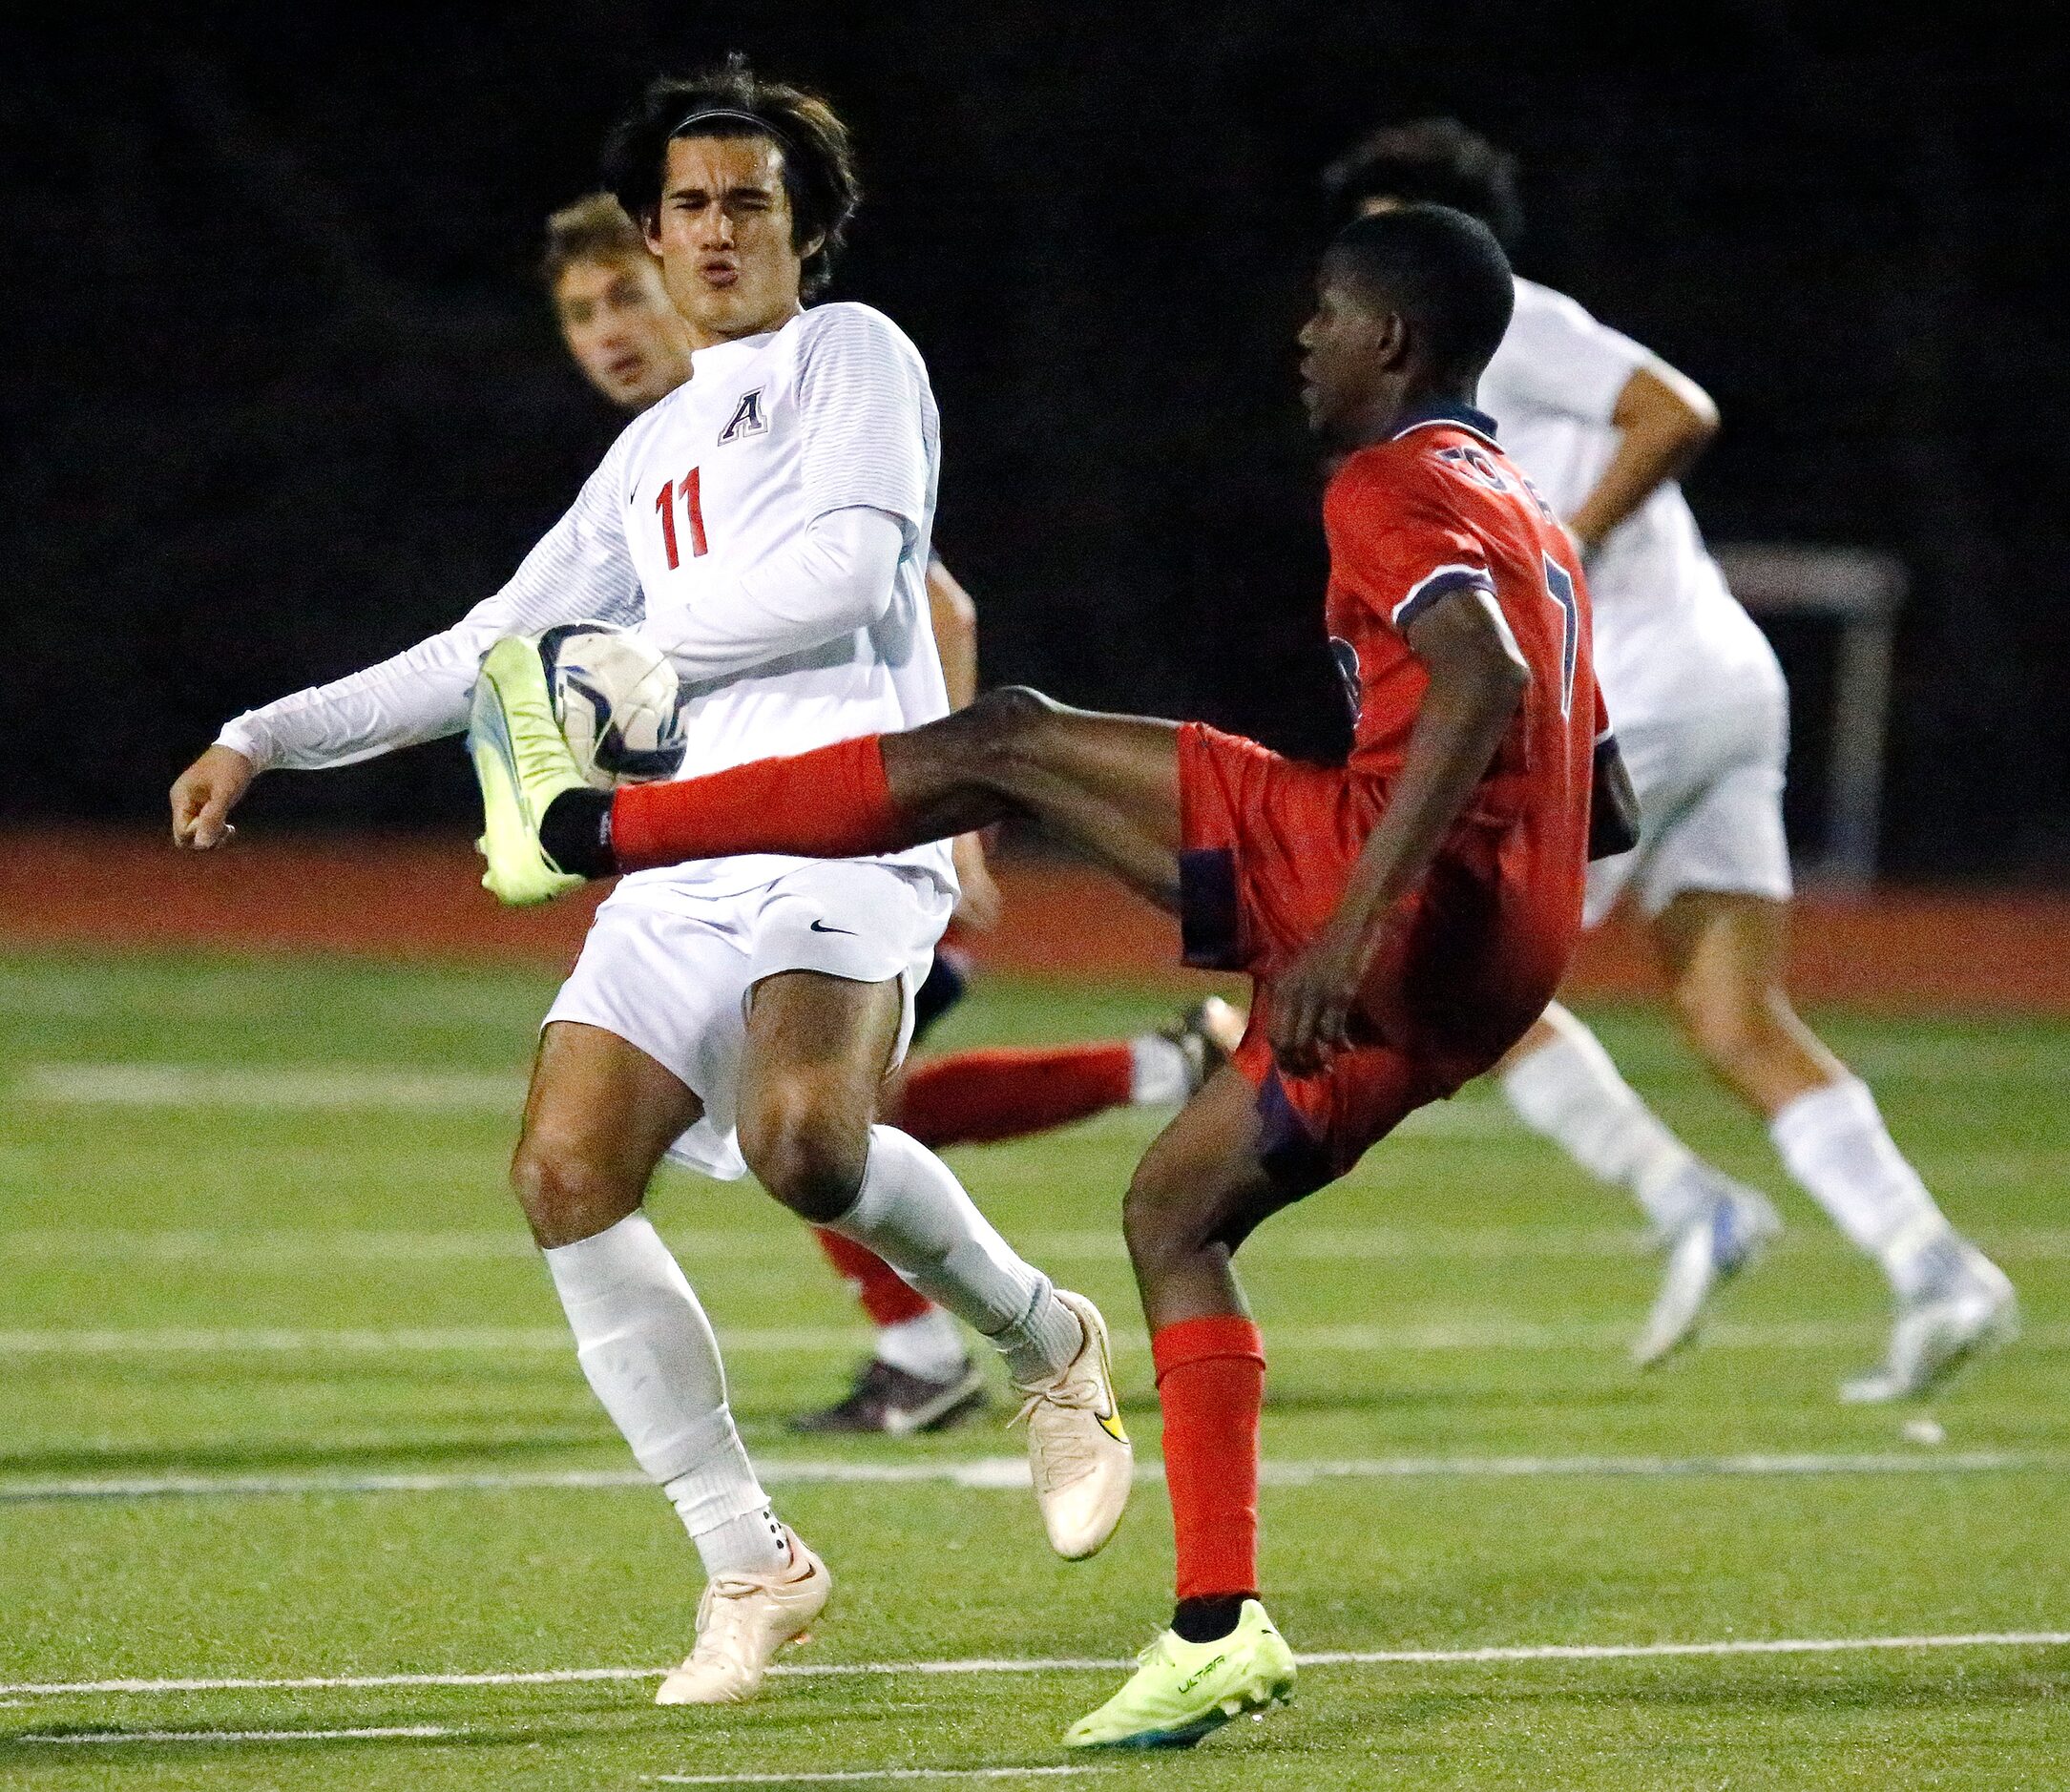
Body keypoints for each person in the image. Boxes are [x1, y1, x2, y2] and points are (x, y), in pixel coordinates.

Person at [470, 204, 1620, 1749]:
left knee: (997, 737)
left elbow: (1475, 672)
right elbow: (1597, 787)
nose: (1302, 339)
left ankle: (610, 821)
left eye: (1325, 313)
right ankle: (1215, 1624)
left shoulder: (1390, 477)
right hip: (1497, 944)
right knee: (1174, 1211)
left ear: (1392, 340)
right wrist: (1466, 912)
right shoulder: (1529, 506)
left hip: (1380, 896)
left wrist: (1342, 933)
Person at [168, 58, 1133, 1707]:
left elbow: (857, 567)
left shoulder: (853, 351)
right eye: (685, 203)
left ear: (804, 225)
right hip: (690, 845)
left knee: (805, 1148)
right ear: (652, 227)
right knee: (562, 1168)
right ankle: (750, 1559)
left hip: (846, 804)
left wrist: (628, 652)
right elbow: (491, 649)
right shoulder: (649, 453)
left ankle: (1048, 1344)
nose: (711, 230)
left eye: (745, 200)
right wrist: (264, 734)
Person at [1323, 120, 2016, 1399]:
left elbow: (1672, 408)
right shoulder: (1438, 378)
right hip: (1719, 682)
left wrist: (1555, 546)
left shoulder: (1507, 319)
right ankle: (1934, 1265)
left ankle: (1686, 1199)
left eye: (1382, 236)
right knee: (1732, 1016)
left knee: (1437, 965)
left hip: (1636, 681)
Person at [542, 193, 1240, 1433]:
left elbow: (940, 605)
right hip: (752, 847)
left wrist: (947, 817)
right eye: (580, 312)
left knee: (811, 1123)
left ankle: (938, 1341)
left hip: (860, 835)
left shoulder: (765, 421)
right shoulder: (651, 471)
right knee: (818, 1124)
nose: (610, 331)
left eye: (626, 298)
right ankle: (1153, 1072)